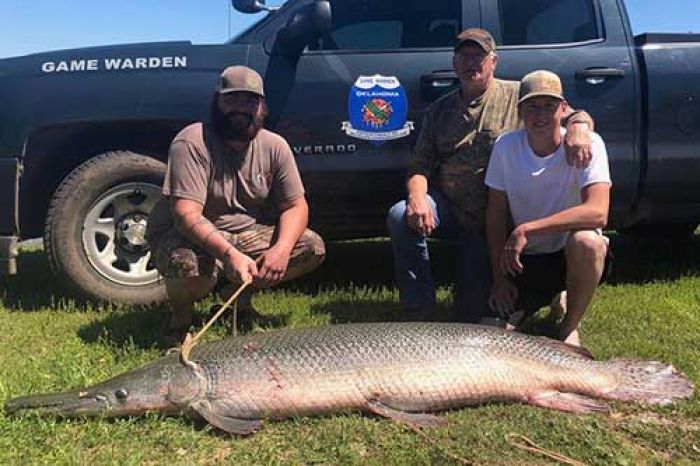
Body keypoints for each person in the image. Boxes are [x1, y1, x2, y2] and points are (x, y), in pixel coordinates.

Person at [386, 28, 594, 322]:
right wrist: (417, 197)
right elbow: (420, 166)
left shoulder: (517, 95)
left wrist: (580, 125)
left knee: (471, 313)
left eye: (479, 56)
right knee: (399, 215)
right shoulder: (439, 110)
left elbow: (565, 111)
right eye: (465, 56)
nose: (472, 63)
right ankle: (417, 308)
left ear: (493, 62)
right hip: (448, 208)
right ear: (454, 63)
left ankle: (551, 290)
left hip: (493, 218)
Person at [146, 65, 326, 346]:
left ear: (262, 107)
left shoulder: (275, 146)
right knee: (187, 264)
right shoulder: (191, 141)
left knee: (310, 247)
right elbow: (185, 215)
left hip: (244, 234)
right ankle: (180, 320)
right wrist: (229, 255)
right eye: (232, 99)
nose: (241, 108)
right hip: (187, 235)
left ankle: (237, 301)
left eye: (250, 101)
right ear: (216, 102)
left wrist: (280, 250)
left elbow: (296, 205)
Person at [484, 70, 612, 346]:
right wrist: (499, 278)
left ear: (564, 109)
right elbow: (495, 213)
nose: (539, 115)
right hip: (525, 258)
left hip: (569, 251)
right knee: (494, 330)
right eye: (531, 106)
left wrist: (527, 229)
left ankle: (569, 325)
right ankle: (549, 296)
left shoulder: (590, 145)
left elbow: (598, 212)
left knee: (588, 241)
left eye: (549, 106)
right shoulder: (505, 147)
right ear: (519, 111)